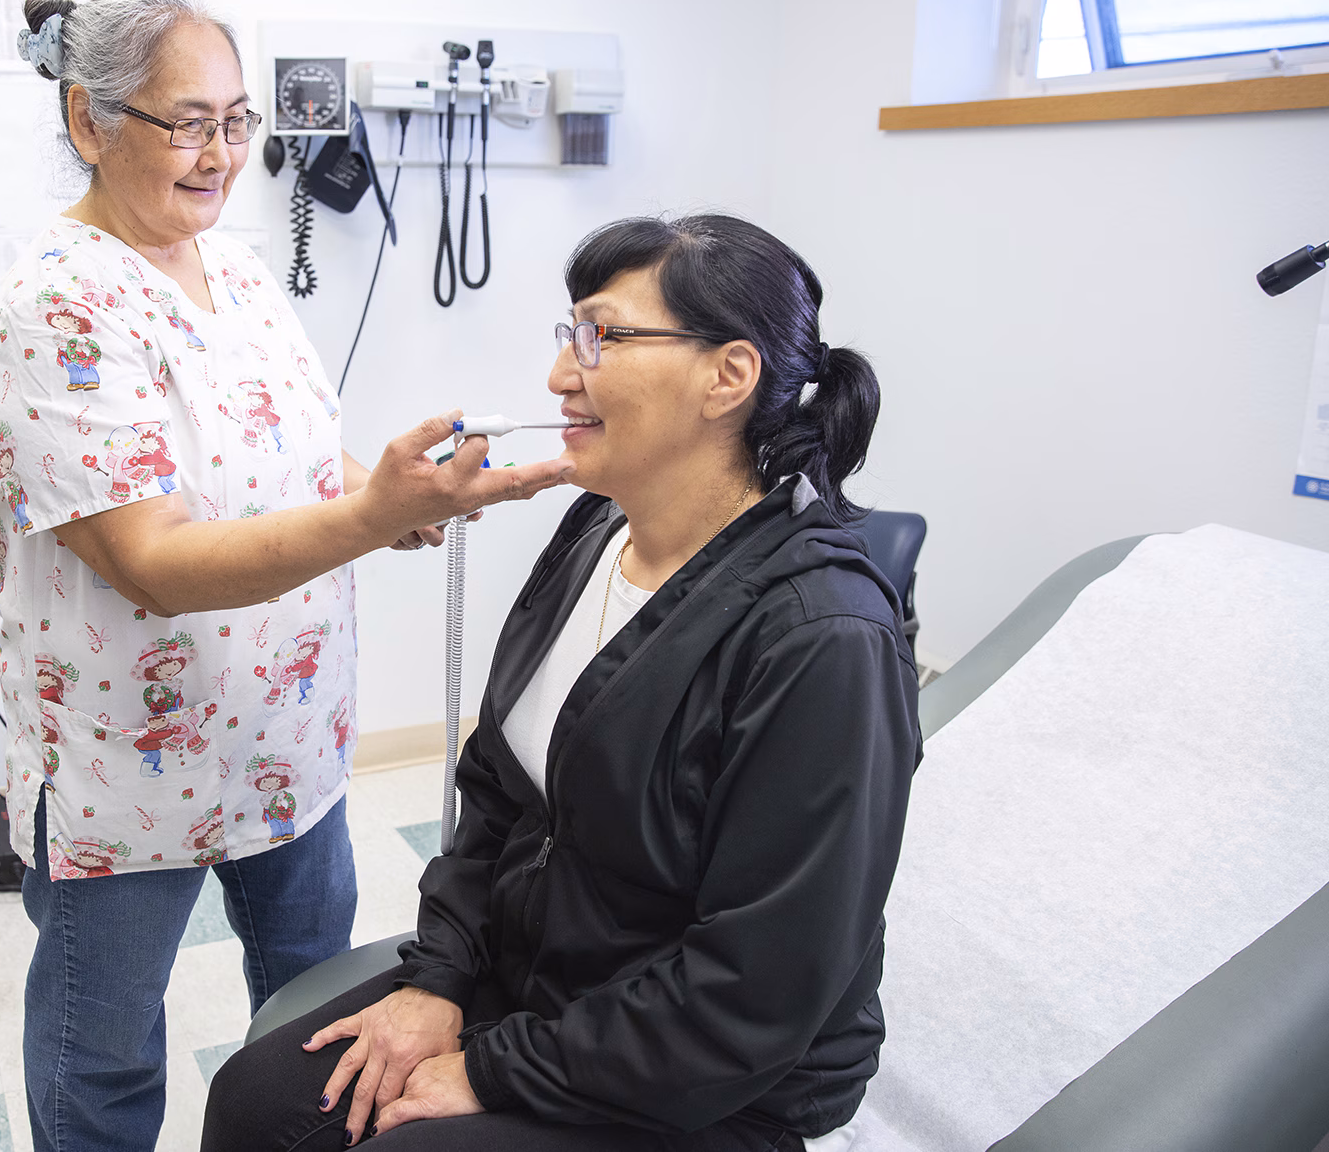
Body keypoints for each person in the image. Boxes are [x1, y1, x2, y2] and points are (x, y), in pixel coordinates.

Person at [0, 0, 572, 1152]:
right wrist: (369, 515)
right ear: (92, 123)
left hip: (285, 733)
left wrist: (404, 501)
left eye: (238, 121)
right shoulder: (57, 306)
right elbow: (153, 564)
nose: (222, 155)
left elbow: (297, 455)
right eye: (187, 122)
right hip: (124, 771)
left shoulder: (237, 268)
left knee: (311, 1022)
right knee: (104, 1053)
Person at [203, 214, 923, 1151]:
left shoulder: (822, 640)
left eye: (604, 336)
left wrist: (493, 1071)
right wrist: (438, 979)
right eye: (568, 333)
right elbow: (502, 791)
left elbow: (756, 987)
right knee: (253, 1104)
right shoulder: (594, 531)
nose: (559, 375)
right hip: (543, 981)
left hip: (705, 1076)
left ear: (728, 376)